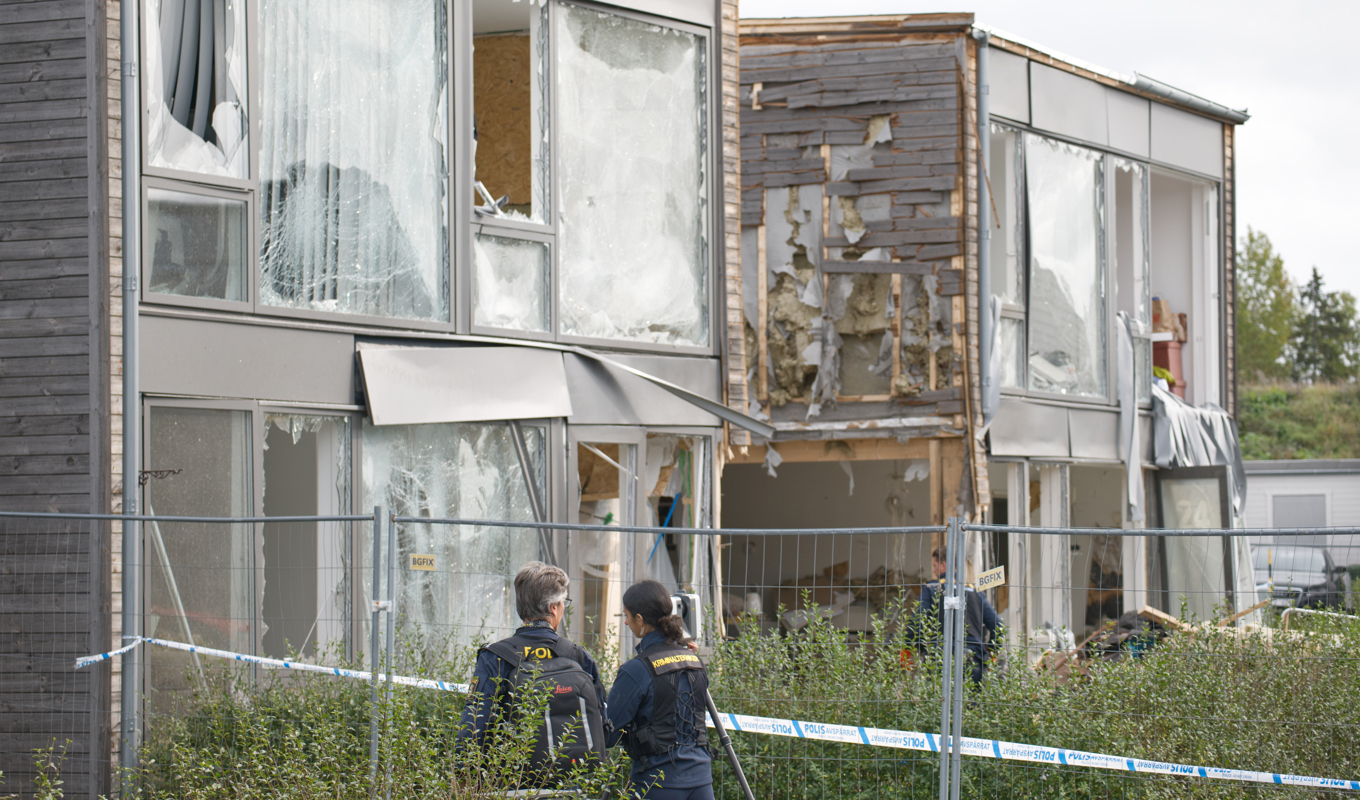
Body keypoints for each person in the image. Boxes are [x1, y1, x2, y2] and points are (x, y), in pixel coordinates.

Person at [460, 561, 608, 770]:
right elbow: (603, 723)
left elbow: (474, 724)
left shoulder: (495, 657)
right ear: (553, 608)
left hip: (511, 782)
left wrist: (463, 772)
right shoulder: (578, 656)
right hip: (575, 782)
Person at [607, 580, 713, 800]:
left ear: (640, 619)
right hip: (701, 779)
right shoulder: (694, 661)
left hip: (658, 782)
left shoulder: (636, 669)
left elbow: (609, 734)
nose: (625, 622)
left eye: (626, 615)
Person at [910, 547, 1001, 684]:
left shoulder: (931, 588)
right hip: (973, 656)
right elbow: (997, 624)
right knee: (970, 703)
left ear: (943, 565)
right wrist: (992, 650)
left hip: (940, 656)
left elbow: (918, 621)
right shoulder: (974, 591)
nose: (934, 570)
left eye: (935, 566)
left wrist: (911, 647)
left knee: (940, 702)